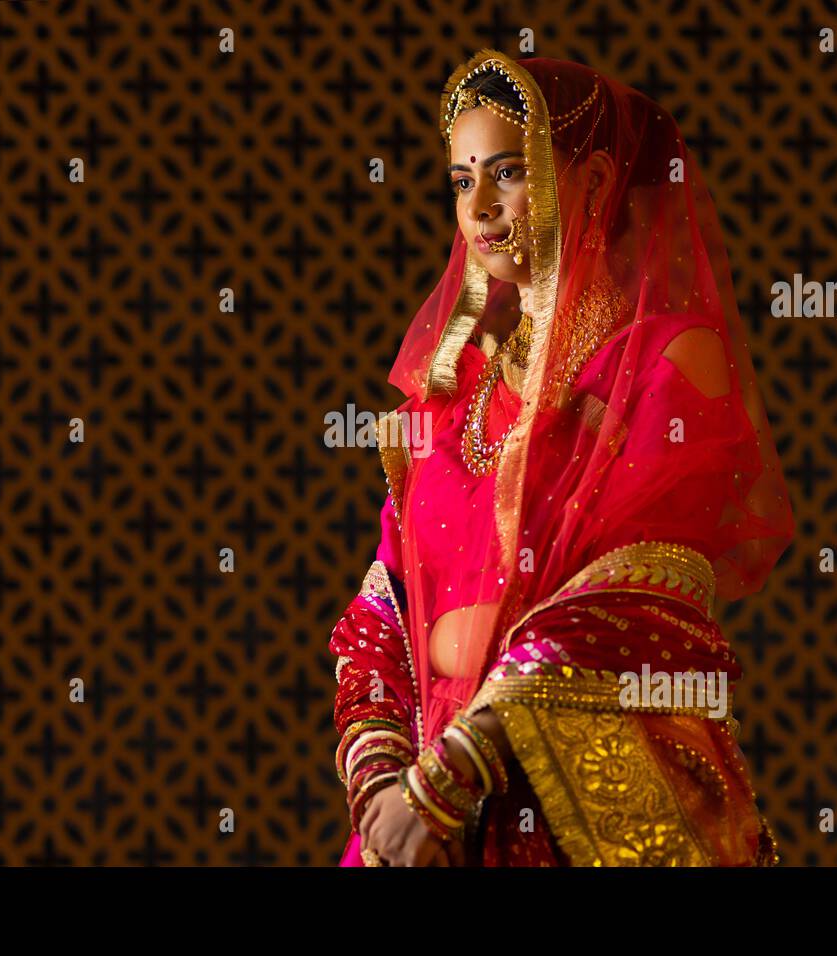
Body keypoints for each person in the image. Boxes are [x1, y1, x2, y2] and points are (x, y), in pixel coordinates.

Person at [330, 49, 795, 867]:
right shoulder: (452, 396)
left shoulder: (668, 364)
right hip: (420, 821)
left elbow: (639, 594)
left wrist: (449, 780)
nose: (479, 207)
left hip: (573, 807)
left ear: (594, 179)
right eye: (461, 180)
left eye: (507, 172)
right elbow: (383, 606)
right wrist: (380, 789)